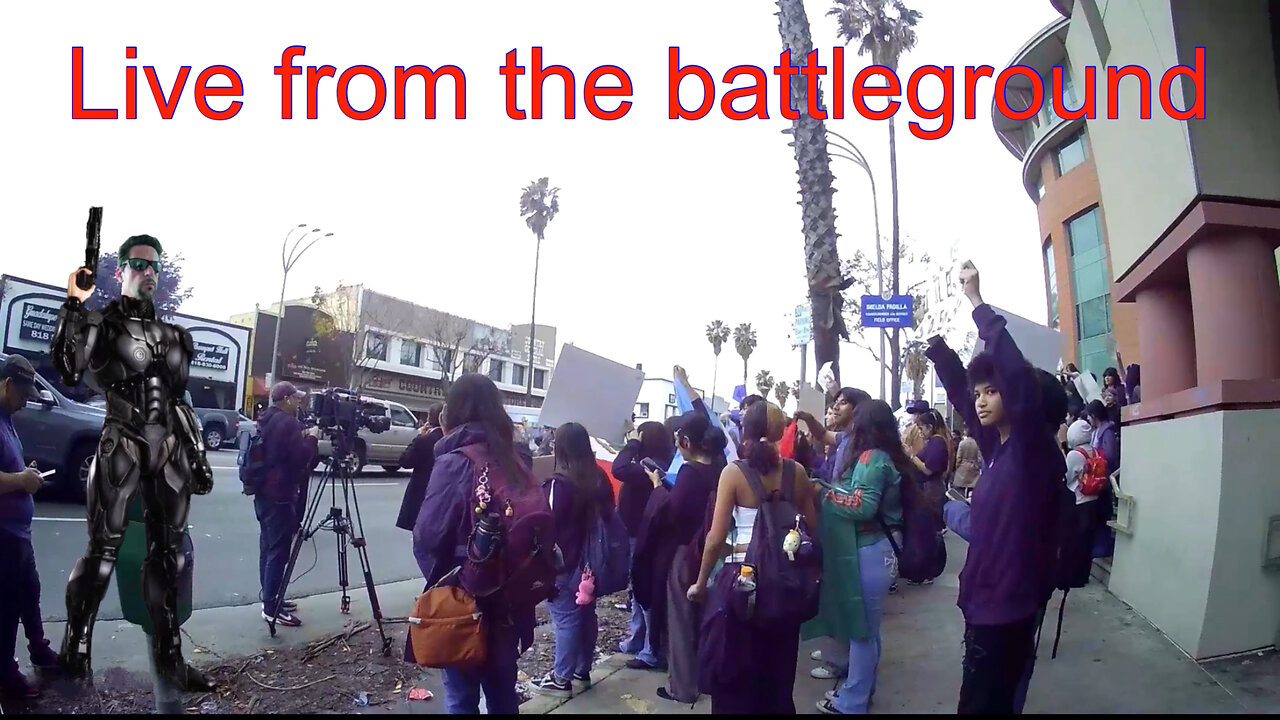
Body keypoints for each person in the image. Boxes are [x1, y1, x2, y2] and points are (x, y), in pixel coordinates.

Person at [50, 235, 216, 691]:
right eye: (139, 264)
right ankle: (76, 646)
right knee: (102, 553)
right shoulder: (102, 326)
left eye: (155, 266)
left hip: (167, 450)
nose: (149, 272)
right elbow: (68, 365)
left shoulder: (177, 337)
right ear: (122, 269)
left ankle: (170, 660)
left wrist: (196, 455)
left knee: (169, 558)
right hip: (120, 441)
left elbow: (179, 402)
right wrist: (73, 304)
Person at [925, 261, 1066, 715]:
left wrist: (976, 302)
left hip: (1005, 611)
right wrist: (940, 352)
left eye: (993, 391)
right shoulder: (999, 446)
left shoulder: (1032, 451)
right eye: (981, 391)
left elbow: (1016, 378)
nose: (982, 399)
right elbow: (965, 402)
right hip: (986, 605)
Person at [411, 373, 536, 714]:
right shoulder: (518, 458)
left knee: (461, 698)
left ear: (451, 412)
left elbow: (427, 536)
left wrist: (448, 586)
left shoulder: (454, 461)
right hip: (512, 597)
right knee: (502, 693)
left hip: (466, 598)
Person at [688, 402, 818, 715]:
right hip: (786, 583)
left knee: (736, 673)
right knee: (779, 673)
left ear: (745, 431)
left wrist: (701, 583)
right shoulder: (796, 472)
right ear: (778, 431)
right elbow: (812, 526)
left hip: (742, 584)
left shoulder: (733, 473)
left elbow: (715, 538)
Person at [807, 399, 910, 715]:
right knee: (868, 630)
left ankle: (852, 701)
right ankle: (862, 691)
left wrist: (823, 492)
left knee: (861, 632)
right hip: (882, 549)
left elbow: (863, 506)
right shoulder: (887, 456)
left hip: (871, 551)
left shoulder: (871, 459)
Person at [633, 411, 727, 705]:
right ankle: (703, 676)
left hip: (686, 554)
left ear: (686, 441)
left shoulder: (689, 473)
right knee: (704, 620)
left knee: (681, 621)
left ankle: (682, 687)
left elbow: (672, 514)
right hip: (716, 555)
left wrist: (658, 489)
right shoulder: (722, 467)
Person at [533, 423, 616, 698]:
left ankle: (561, 679)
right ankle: (582, 669)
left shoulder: (560, 483)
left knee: (566, 618)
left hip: (564, 564)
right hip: (593, 563)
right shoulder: (599, 478)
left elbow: (548, 524)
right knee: (586, 614)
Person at [0, 356, 58, 699]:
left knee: (30, 595)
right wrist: (21, 480)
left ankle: (40, 651)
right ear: (8, 386)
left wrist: (27, 474)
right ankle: (6, 675)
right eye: (23, 395)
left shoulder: (7, 418)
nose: (26, 402)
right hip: (3, 533)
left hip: (18, 533)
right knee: (6, 608)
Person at [612, 421, 675, 670]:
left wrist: (632, 443)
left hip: (641, 535)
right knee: (637, 591)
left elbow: (618, 468)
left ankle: (650, 649)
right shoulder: (657, 462)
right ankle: (637, 639)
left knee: (643, 592)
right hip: (640, 533)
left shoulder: (650, 467)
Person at [256, 381, 317, 627]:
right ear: (287, 399)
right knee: (278, 552)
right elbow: (301, 457)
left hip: (262, 492)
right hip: (280, 494)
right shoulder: (289, 423)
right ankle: (271, 608)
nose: (300, 402)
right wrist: (312, 439)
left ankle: (270, 597)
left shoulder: (266, 419)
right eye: (296, 398)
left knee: (267, 549)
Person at [395, 403, 445, 532]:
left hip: (420, 496)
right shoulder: (449, 441)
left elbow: (405, 462)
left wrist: (419, 437)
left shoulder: (424, 440)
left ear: (429, 419)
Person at [952, 424, 983, 497]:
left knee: (960, 489)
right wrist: (977, 466)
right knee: (972, 488)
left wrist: (957, 466)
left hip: (962, 467)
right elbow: (979, 458)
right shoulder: (977, 443)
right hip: (973, 467)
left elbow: (958, 457)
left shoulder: (962, 443)